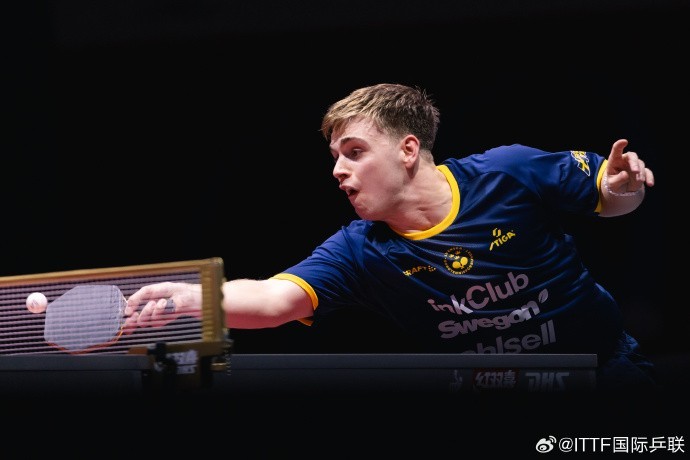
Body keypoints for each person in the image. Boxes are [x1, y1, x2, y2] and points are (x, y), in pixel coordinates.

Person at [123, 83, 656, 390]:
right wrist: (195, 298)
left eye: (354, 152)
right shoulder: (360, 250)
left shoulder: (507, 172)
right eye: (335, 157)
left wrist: (622, 187)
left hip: (603, 372)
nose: (338, 170)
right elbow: (273, 299)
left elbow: (611, 196)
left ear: (407, 149)